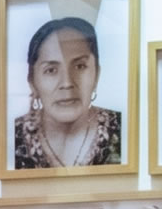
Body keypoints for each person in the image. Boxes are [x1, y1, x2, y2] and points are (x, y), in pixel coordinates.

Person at [12, 17, 123, 169]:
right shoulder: (11, 137)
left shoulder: (124, 129)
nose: (67, 83)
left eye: (80, 66)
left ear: (97, 75)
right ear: (32, 81)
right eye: (51, 70)